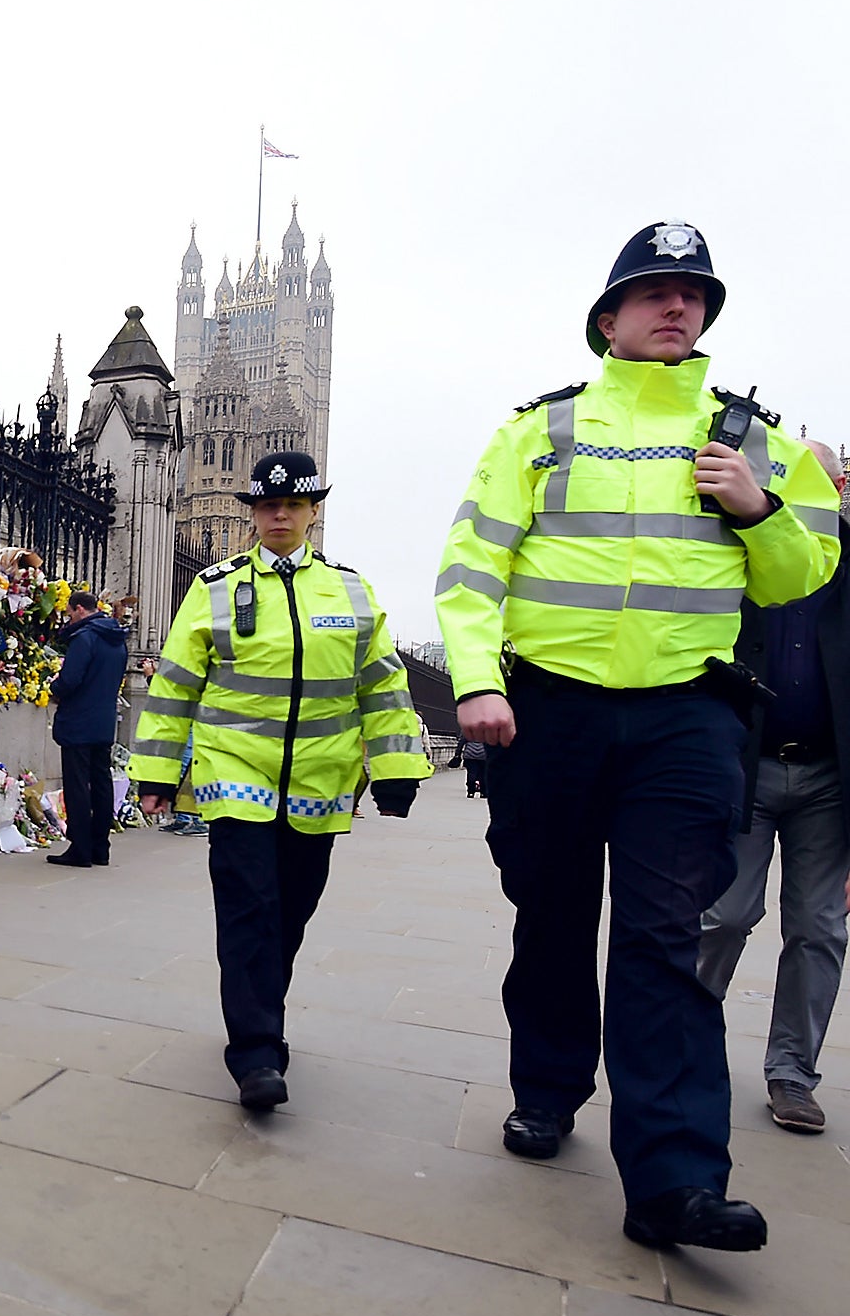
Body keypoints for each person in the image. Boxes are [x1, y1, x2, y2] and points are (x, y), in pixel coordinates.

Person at [436, 222, 841, 1252]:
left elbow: (806, 572)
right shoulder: (541, 430)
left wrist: (758, 512)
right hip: (551, 709)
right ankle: (549, 1086)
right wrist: (477, 684)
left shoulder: (752, 437)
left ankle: (672, 1179)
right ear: (606, 318)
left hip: (684, 713)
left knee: (666, 936)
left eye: (692, 295)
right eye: (654, 292)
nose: (677, 307)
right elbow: (472, 567)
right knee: (554, 916)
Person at [134, 451, 431, 1109]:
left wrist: (397, 768)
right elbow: (175, 688)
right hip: (234, 773)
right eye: (267, 506)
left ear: (311, 512)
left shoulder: (350, 592)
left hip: (320, 784)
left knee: (290, 912)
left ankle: (261, 1007)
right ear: (253, 513)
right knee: (249, 910)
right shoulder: (214, 586)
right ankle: (257, 1051)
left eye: (292, 505)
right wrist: (155, 773)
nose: (278, 516)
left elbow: (383, 684)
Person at [697, 440, 850, 1134]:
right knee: (724, 915)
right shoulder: (744, 541)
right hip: (747, 764)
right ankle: (687, 1047)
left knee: (819, 928)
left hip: (829, 776)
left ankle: (792, 1075)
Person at [47, 590, 128, 868]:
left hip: (79, 721)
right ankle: (100, 847)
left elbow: (70, 680)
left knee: (78, 785)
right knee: (101, 783)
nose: (68, 619)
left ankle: (80, 848)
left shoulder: (85, 638)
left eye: (69, 613)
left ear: (80, 609)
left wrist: (54, 686)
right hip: (104, 720)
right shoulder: (117, 639)